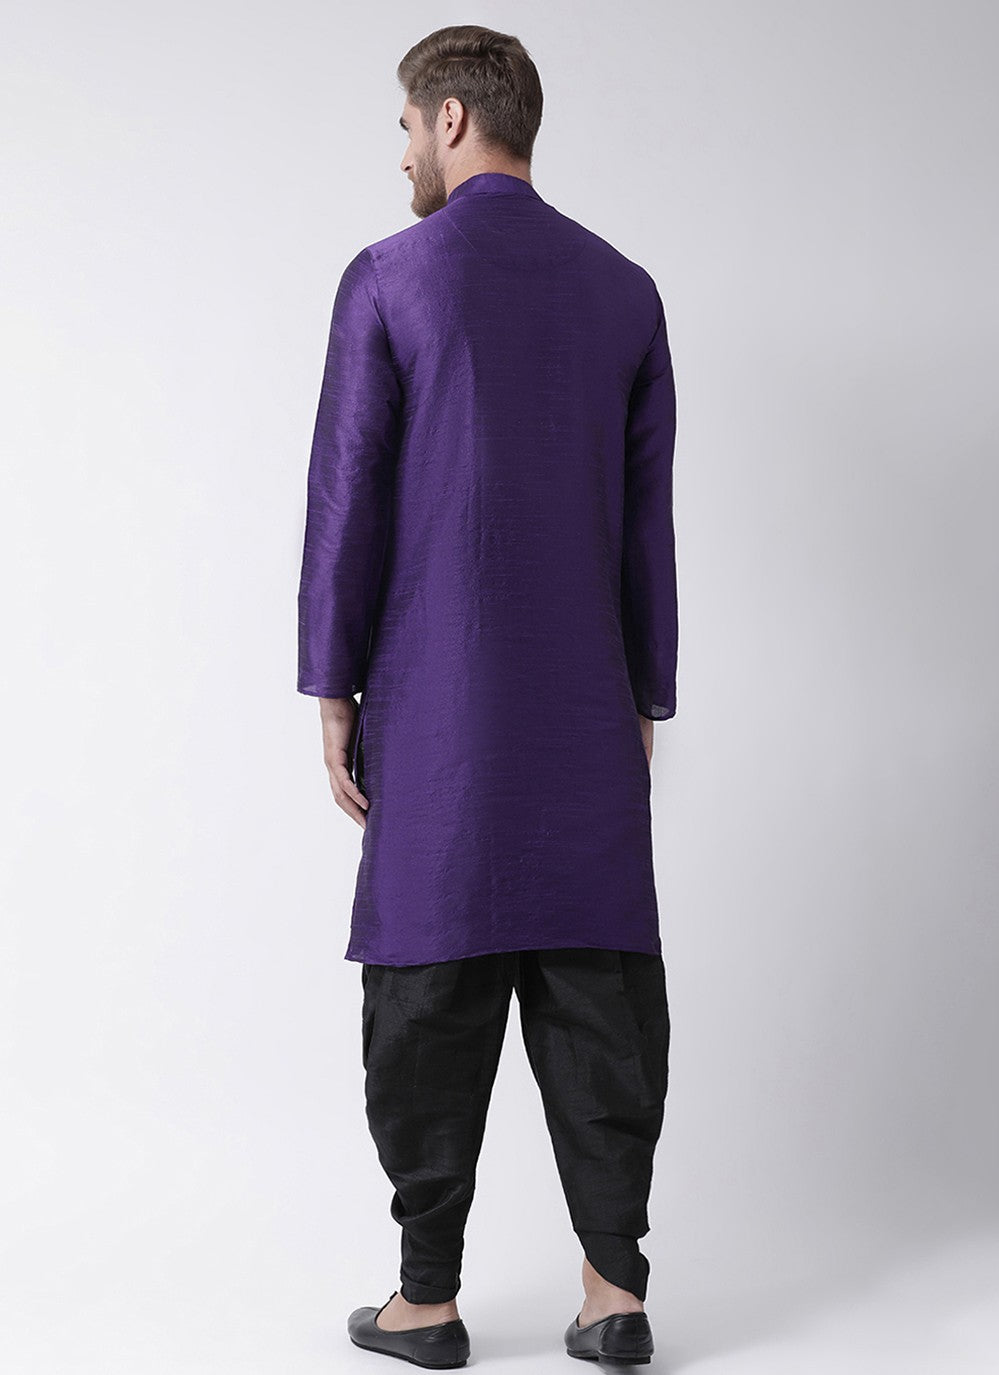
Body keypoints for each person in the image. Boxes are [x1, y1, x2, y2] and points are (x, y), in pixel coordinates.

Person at [297, 23, 677, 1370]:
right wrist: (646, 696)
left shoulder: (390, 280)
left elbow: (347, 500)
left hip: (437, 701)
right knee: (600, 988)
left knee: (427, 988)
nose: (402, 150)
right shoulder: (625, 292)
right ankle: (613, 1296)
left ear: (452, 118)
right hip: (585, 706)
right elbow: (645, 524)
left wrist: (332, 685)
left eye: (407, 124)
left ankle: (427, 1301)